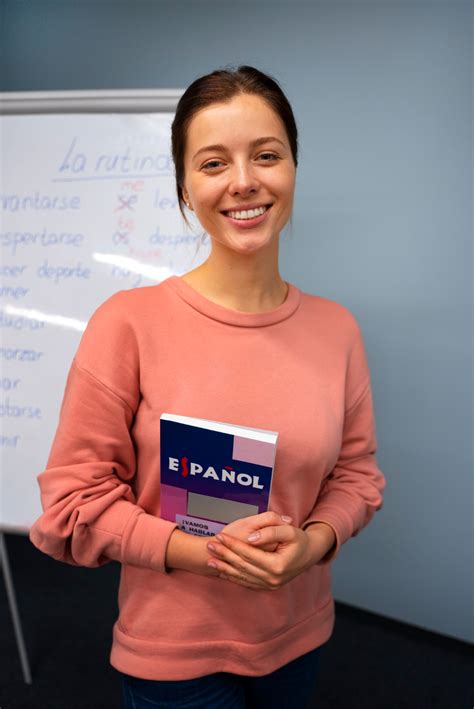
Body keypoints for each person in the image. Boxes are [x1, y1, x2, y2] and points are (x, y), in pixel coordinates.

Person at [29, 65, 386, 708]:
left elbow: (357, 476)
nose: (244, 181)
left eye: (267, 155)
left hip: (299, 636)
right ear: (185, 190)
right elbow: (72, 505)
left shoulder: (337, 329)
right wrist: (208, 554)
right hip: (174, 656)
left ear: (294, 170)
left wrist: (312, 544)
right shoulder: (128, 324)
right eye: (214, 163)